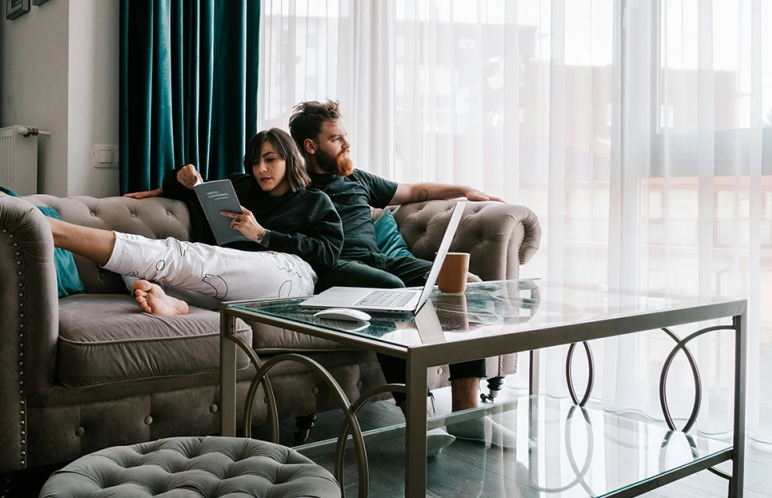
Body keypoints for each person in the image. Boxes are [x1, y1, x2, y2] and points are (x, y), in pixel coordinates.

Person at [288, 100, 514, 448]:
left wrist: (463, 190)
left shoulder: (357, 179)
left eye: (345, 136)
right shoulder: (292, 187)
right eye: (336, 139)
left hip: (383, 261)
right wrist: (179, 181)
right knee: (392, 293)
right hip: (338, 268)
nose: (347, 144)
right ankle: (420, 426)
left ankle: (467, 416)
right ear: (310, 146)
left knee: (461, 285)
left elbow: (414, 190)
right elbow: (231, 192)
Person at [51, 128, 343, 316]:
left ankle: (55, 230)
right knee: (141, 271)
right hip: (233, 280)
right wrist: (183, 176)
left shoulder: (315, 201)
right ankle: (174, 302)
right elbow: (188, 190)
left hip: (290, 276)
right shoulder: (242, 186)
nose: (261, 169)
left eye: (270, 159)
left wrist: (263, 235)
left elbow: (328, 254)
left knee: (188, 257)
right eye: (255, 162)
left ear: (290, 159)